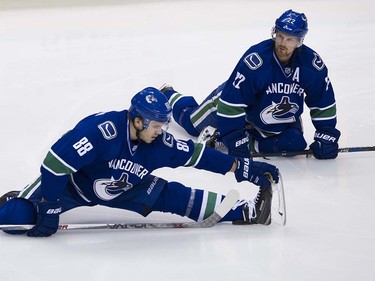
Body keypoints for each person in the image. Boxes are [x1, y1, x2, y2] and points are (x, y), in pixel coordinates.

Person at [0, 87, 280, 237]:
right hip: (72, 185)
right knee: (13, 219)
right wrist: (49, 205)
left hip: (126, 186)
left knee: (174, 196)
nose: (161, 132)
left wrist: (242, 167)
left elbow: (198, 155)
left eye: (163, 125)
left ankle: (243, 211)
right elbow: (54, 164)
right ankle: (17, 200)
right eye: (156, 125)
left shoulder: (158, 142)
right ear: (137, 120)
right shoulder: (101, 131)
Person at [161, 9, 341, 160]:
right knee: (191, 123)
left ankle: (223, 138)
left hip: (272, 116)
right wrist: (235, 138)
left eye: (289, 39)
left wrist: (326, 136)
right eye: (280, 36)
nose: (282, 43)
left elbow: (322, 102)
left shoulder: (311, 65)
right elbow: (231, 104)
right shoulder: (256, 61)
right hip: (230, 101)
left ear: (299, 41)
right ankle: (168, 94)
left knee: (294, 143)